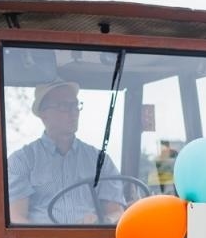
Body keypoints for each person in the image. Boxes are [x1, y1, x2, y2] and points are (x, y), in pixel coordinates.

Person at [7, 81, 123, 224]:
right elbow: (16, 218)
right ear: (44, 114)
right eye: (64, 106)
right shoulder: (22, 160)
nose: (73, 112)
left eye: (75, 106)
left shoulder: (100, 160)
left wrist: (103, 220)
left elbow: (116, 212)